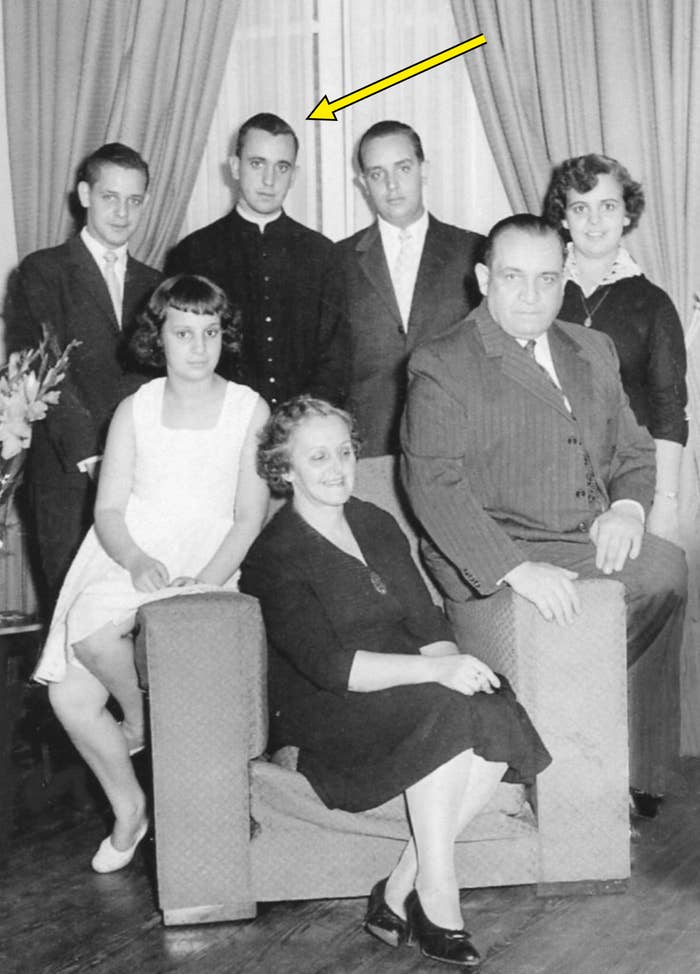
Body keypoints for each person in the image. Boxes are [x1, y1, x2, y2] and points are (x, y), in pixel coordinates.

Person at [240, 396, 550, 968]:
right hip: (330, 706)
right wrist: (437, 673)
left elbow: (428, 627)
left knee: (488, 701)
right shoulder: (273, 555)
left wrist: (456, 669)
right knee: (450, 710)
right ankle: (438, 896)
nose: (336, 468)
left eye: (343, 452)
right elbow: (333, 667)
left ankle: (400, 884)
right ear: (284, 469)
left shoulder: (374, 521)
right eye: (317, 457)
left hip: (408, 680)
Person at [402, 214, 687, 818]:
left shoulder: (592, 347)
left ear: (565, 282)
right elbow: (433, 484)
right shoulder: (441, 361)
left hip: (583, 534)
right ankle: (561, 744)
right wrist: (514, 569)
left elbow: (634, 449)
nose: (532, 295)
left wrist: (630, 510)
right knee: (634, 591)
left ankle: (635, 766)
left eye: (547, 278)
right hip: (498, 543)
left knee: (666, 566)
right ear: (484, 279)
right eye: (513, 277)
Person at [33, 274, 269, 873]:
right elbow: (108, 509)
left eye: (210, 333)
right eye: (183, 333)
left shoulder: (247, 408)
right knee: (72, 690)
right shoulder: (134, 409)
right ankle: (132, 795)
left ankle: (139, 740)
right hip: (128, 552)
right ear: (157, 338)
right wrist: (136, 560)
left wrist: (205, 581)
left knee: (76, 679)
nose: (198, 347)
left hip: (208, 561)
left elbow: (248, 517)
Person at [5, 143, 162, 608]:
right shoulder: (41, 271)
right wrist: (94, 456)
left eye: (134, 201)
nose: (122, 212)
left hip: (139, 479)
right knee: (71, 617)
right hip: (67, 474)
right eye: (111, 197)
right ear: (84, 194)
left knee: (130, 613)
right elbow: (42, 371)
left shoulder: (156, 283)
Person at [543, 153, 687, 544]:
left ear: (626, 214)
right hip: (548, 479)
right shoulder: (539, 289)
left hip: (630, 484)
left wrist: (665, 504)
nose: (594, 221)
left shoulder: (653, 304)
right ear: (562, 217)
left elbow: (669, 412)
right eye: (580, 208)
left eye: (607, 206)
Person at [165, 112, 346, 408]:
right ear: (235, 167)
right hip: (218, 426)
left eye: (281, 167)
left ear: (294, 175)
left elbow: (335, 360)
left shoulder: (323, 254)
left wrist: (302, 422)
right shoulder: (193, 253)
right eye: (257, 163)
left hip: (303, 428)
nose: (269, 180)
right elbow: (179, 356)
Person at [329, 120, 484, 456]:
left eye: (403, 168)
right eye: (376, 174)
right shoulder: (337, 261)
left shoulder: (473, 252)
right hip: (369, 448)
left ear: (423, 170)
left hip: (458, 446)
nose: (392, 185)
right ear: (363, 184)